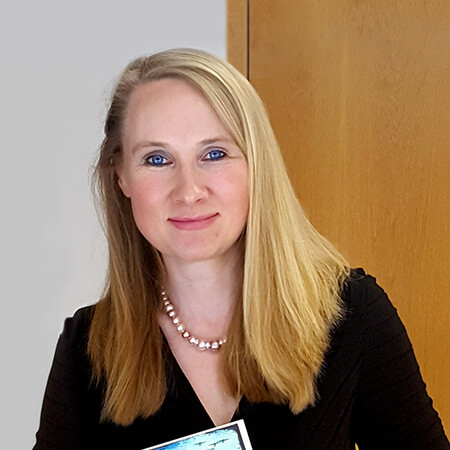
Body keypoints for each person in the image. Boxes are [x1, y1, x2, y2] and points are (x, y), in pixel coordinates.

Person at [34, 49, 449, 449]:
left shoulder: (353, 315)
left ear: (256, 165)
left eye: (214, 154)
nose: (189, 190)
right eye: (157, 160)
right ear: (121, 176)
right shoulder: (87, 348)